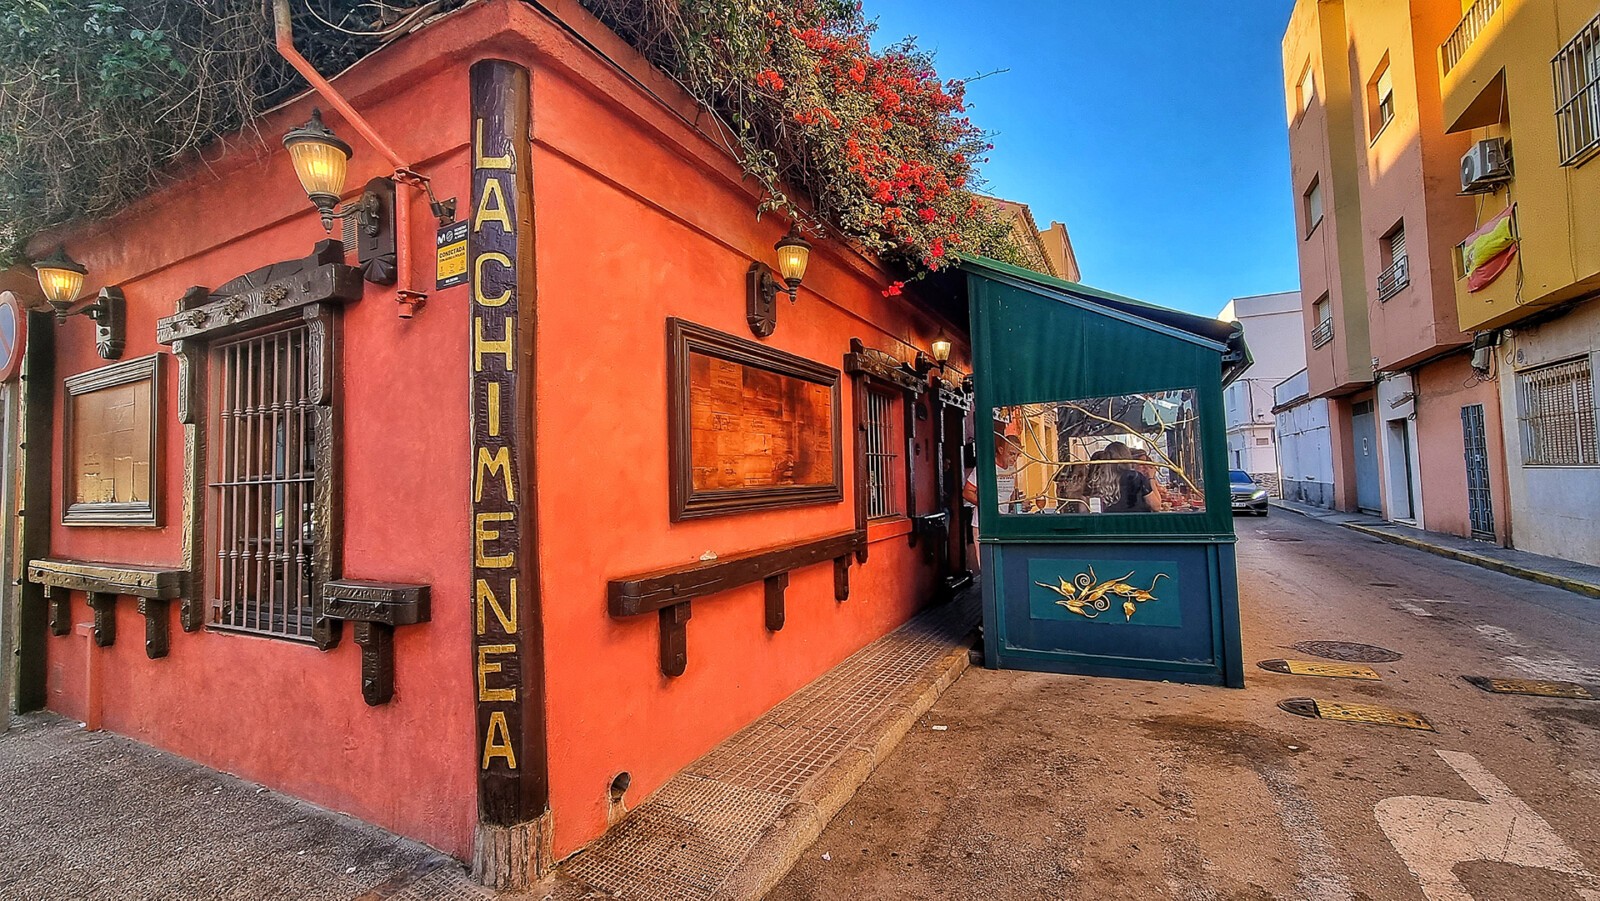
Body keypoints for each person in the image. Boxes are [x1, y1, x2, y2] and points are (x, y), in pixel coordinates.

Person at [1102, 442, 1154, 513]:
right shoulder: (1136, 477)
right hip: (1135, 520)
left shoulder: (1101, 478)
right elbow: (1155, 505)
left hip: (1109, 520)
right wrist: (1151, 478)